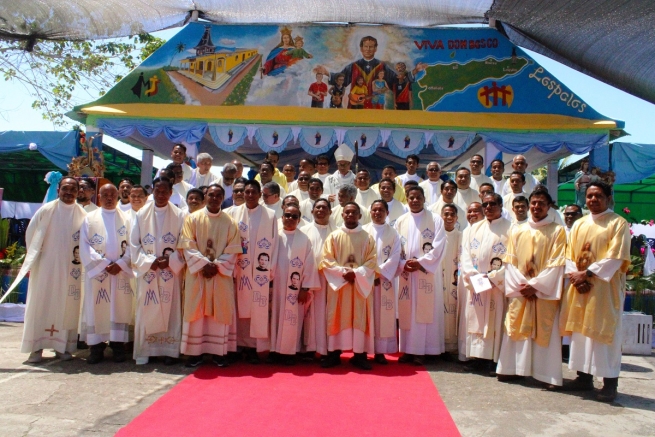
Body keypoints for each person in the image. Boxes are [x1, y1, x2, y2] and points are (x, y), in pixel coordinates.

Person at [560, 182, 630, 402]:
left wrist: (587, 274)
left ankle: (610, 383)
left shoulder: (618, 223)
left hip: (604, 290)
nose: (592, 200)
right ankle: (583, 377)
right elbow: (568, 254)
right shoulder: (579, 224)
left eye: (598, 196)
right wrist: (576, 276)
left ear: (608, 198)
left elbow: (616, 257)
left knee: (604, 335)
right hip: (580, 288)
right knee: (581, 335)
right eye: (589, 196)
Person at [492, 190, 566, 388]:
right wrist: (523, 286)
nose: (536, 207)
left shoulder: (557, 231)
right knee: (516, 326)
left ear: (549, 206)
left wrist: (536, 286)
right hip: (521, 289)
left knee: (545, 330)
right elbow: (510, 261)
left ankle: (546, 375)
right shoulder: (518, 230)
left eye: (541, 203)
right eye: (533, 203)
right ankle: (513, 368)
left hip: (543, 291)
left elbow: (557, 263)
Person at [19, 177, 86, 363]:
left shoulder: (82, 214)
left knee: (66, 306)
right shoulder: (46, 211)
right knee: (41, 304)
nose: (69, 192)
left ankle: (62, 347)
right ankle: (36, 347)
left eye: (73, 189)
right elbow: (31, 235)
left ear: (78, 191)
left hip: (70, 270)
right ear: (58, 190)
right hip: (45, 268)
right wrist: (36, 258)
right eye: (65, 188)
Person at [179, 184, 242, 367]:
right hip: (198, 274)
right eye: (211, 195)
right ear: (205, 197)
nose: (214, 198)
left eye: (218, 196)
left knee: (219, 311)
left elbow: (233, 249)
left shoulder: (229, 222)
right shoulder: (192, 219)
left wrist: (216, 266)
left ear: (223, 198)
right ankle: (194, 353)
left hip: (220, 275)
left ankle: (218, 353)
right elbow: (186, 245)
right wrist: (203, 265)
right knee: (196, 312)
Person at [130, 176, 186, 365]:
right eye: (157, 191)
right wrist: (148, 262)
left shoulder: (179, 215)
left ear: (171, 193)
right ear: (152, 191)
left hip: (170, 271)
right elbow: (134, 244)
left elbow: (184, 244)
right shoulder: (141, 214)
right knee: (147, 307)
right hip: (149, 271)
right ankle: (146, 351)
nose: (161, 195)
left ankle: (169, 350)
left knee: (170, 309)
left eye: (165, 192)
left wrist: (170, 261)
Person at [79, 184, 134, 364]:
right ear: (99, 196)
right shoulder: (89, 218)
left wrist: (120, 263)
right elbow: (85, 246)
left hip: (119, 272)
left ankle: (117, 345)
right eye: (105, 195)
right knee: (97, 308)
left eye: (112, 194)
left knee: (118, 307)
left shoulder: (127, 218)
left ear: (118, 196)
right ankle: (96, 347)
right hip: (98, 274)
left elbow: (133, 245)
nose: (109, 198)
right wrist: (103, 264)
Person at [321, 202, 377, 370]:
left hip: (359, 287)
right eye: (347, 213)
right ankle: (334, 353)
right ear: (342, 215)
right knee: (337, 315)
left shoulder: (367, 237)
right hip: (340, 286)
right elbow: (326, 260)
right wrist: (343, 273)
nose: (350, 215)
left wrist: (357, 273)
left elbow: (372, 261)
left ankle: (359, 355)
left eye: (354, 213)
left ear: (360, 216)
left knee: (359, 317)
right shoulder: (334, 236)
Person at [394, 186, 446, 365]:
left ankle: (424, 350)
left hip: (426, 274)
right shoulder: (401, 221)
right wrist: (402, 264)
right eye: (411, 198)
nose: (414, 200)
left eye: (418, 197)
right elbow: (395, 248)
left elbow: (438, 246)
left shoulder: (435, 220)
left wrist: (421, 262)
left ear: (424, 199)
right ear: (406, 200)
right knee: (407, 310)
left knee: (425, 311)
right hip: (407, 274)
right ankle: (408, 350)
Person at [227, 180, 278, 363]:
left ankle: (254, 347)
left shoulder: (270, 215)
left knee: (257, 308)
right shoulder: (232, 213)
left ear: (260, 194)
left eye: (253, 192)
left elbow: (274, 244)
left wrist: (269, 271)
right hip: (239, 271)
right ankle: (238, 345)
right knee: (239, 308)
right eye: (246, 192)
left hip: (259, 273)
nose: (249, 195)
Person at [459, 193, 511, 373]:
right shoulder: (474, 228)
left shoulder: (510, 229)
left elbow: (512, 259)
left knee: (494, 321)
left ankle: (493, 360)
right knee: (476, 321)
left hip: (496, 285)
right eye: (485, 204)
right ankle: (478, 357)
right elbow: (465, 255)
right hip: (477, 284)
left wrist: (495, 277)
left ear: (501, 205)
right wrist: (475, 276)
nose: (488, 207)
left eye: (492, 204)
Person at [269, 205, 320, 364]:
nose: (290, 219)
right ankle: (274, 351)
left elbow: (310, 264)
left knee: (292, 319)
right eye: (287, 215)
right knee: (275, 318)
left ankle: (291, 352)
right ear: (282, 217)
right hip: (276, 287)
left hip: (295, 288)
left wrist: (305, 288)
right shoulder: (274, 236)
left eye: (294, 216)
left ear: (299, 220)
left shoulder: (304, 239)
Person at [363, 200, 401, 364]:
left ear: (387, 213)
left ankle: (380, 351)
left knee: (383, 316)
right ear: (370, 212)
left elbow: (395, 257)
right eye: (374, 209)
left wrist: (379, 274)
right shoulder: (362, 231)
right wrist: (370, 275)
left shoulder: (393, 233)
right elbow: (358, 257)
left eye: (381, 210)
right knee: (366, 315)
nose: (377, 213)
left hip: (384, 281)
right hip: (365, 281)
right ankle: (363, 349)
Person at [301, 198, 337, 362]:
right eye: (318, 208)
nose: (321, 210)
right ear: (312, 211)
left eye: (325, 208)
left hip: (332, 282)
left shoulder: (337, 232)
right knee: (311, 315)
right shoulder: (304, 231)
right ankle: (310, 348)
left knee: (329, 314)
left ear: (330, 211)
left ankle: (330, 349)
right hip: (310, 280)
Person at [441, 203, 462, 354]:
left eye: (452, 215)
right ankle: (437, 346)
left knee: (453, 312)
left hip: (455, 281)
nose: (449, 218)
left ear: (457, 218)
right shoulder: (436, 236)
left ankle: (452, 348)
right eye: (446, 214)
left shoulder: (462, 236)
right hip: (439, 281)